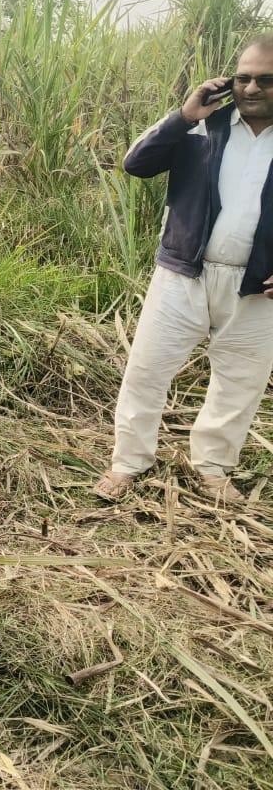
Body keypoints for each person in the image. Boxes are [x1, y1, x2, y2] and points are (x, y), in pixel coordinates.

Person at [95, 38, 273, 504]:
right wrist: (184, 116)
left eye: (266, 80)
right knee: (146, 370)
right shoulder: (203, 125)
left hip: (257, 287)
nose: (252, 88)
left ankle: (212, 467)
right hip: (183, 274)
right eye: (243, 77)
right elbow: (137, 163)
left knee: (240, 381)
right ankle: (128, 462)